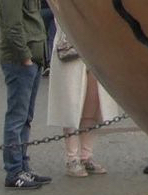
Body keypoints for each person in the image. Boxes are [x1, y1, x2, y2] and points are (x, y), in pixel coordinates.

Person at [0, 0, 52, 190]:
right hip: (21, 60)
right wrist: (25, 57)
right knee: (17, 116)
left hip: (32, 57)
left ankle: (23, 166)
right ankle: (14, 171)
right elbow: (11, 25)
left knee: (26, 117)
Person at [46, 28, 117, 178]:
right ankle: (72, 159)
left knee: (93, 105)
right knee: (71, 106)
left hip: (95, 47)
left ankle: (86, 156)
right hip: (70, 46)